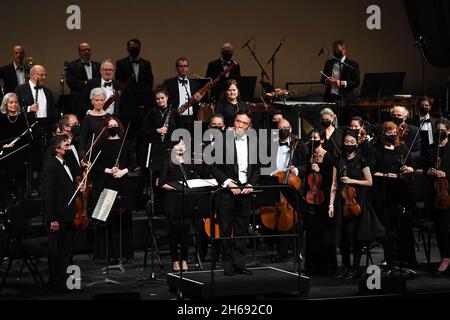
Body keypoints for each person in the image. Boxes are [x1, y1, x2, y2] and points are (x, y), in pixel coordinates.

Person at [328, 130, 385, 280]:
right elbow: (334, 185)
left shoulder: (362, 160)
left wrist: (351, 181)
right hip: (341, 202)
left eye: (352, 143)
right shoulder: (338, 161)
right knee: (343, 237)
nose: (349, 145)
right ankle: (346, 266)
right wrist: (331, 205)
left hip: (357, 202)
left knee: (356, 237)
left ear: (356, 143)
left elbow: (369, 182)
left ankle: (355, 268)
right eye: (346, 142)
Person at [212, 110, 259, 276]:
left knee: (242, 230)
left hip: (245, 191)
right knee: (225, 229)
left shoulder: (253, 142)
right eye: (238, 121)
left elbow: (257, 169)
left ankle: (239, 264)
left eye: (244, 123)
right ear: (234, 121)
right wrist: (228, 183)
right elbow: (214, 167)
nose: (240, 125)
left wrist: (251, 184)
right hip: (227, 191)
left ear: (249, 126)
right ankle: (227, 265)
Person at [372, 121, 417, 270]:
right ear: (383, 134)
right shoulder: (376, 149)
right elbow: (371, 172)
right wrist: (386, 175)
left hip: (401, 192)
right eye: (388, 133)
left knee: (402, 228)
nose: (392, 135)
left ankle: (404, 259)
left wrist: (408, 168)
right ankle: (389, 260)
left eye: (393, 133)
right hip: (384, 192)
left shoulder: (402, 147)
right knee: (388, 229)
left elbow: (411, 166)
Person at [42, 134, 85, 292]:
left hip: (69, 214)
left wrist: (78, 190)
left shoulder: (65, 163)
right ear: (57, 149)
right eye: (66, 146)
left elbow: (66, 189)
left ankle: (65, 282)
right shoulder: (51, 166)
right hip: (58, 216)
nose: (69, 148)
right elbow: (49, 194)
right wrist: (52, 218)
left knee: (68, 249)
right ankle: (56, 284)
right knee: (56, 251)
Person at [91, 116, 136, 261]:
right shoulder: (100, 144)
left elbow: (133, 163)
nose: (113, 127)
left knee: (122, 220)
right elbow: (94, 165)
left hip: (122, 184)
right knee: (107, 219)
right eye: (110, 125)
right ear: (106, 128)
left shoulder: (126, 143)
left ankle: (124, 254)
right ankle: (107, 255)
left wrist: (123, 171)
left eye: (115, 125)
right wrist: (108, 170)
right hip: (106, 184)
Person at [301, 129, 337, 274]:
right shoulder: (309, 155)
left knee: (323, 232)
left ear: (322, 140)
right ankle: (311, 265)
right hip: (311, 196)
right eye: (311, 138)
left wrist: (320, 170)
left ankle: (325, 265)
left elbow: (331, 178)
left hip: (324, 197)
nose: (313, 140)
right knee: (311, 232)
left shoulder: (328, 156)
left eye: (316, 138)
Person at [425, 119, 450, 276]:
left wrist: (446, 174)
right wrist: (429, 171)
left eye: (441, 130)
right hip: (437, 195)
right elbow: (425, 165)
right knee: (441, 229)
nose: (438, 132)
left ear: (448, 130)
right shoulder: (432, 149)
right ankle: (445, 258)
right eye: (436, 130)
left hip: (449, 191)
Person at [0, 93, 30, 203]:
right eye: (11, 102)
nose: (14, 104)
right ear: (6, 104)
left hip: (21, 153)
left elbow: (28, 139)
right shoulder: (1, 118)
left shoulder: (24, 117)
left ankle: (21, 202)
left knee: (20, 181)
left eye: (16, 102)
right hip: (5, 154)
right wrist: (3, 146)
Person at [162, 57, 201, 132]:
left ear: (188, 68)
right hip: (176, 118)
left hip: (192, 118)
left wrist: (198, 101)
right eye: (181, 66)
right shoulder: (168, 83)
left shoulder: (195, 84)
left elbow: (200, 104)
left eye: (185, 66)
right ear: (177, 68)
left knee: (191, 142)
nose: (183, 68)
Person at [116, 38, 153, 114]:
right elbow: (118, 80)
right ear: (127, 48)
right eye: (132, 47)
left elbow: (150, 80)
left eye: (136, 47)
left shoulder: (146, 63)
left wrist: (145, 93)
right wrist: (127, 92)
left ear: (140, 48)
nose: (134, 49)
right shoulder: (121, 63)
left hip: (143, 97)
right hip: (127, 97)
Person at [66, 42, 101, 118]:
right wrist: (87, 83)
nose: (86, 52)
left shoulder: (98, 65)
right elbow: (70, 82)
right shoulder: (72, 65)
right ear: (79, 52)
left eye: (88, 50)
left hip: (95, 100)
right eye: (84, 50)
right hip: (79, 100)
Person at [79, 88, 110, 154]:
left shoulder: (109, 117)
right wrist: (82, 154)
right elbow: (83, 138)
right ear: (92, 101)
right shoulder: (88, 117)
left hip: (106, 150)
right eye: (97, 100)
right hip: (91, 151)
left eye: (102, 100)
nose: (99, 102)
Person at [412, 96, 438, 167]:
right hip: (418, 150)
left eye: (426, 105)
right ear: (418, 106)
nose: (424, 107)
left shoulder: (436, 121)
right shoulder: (413, 121)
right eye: (421, 105)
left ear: (430, 107)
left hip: (432, 150)